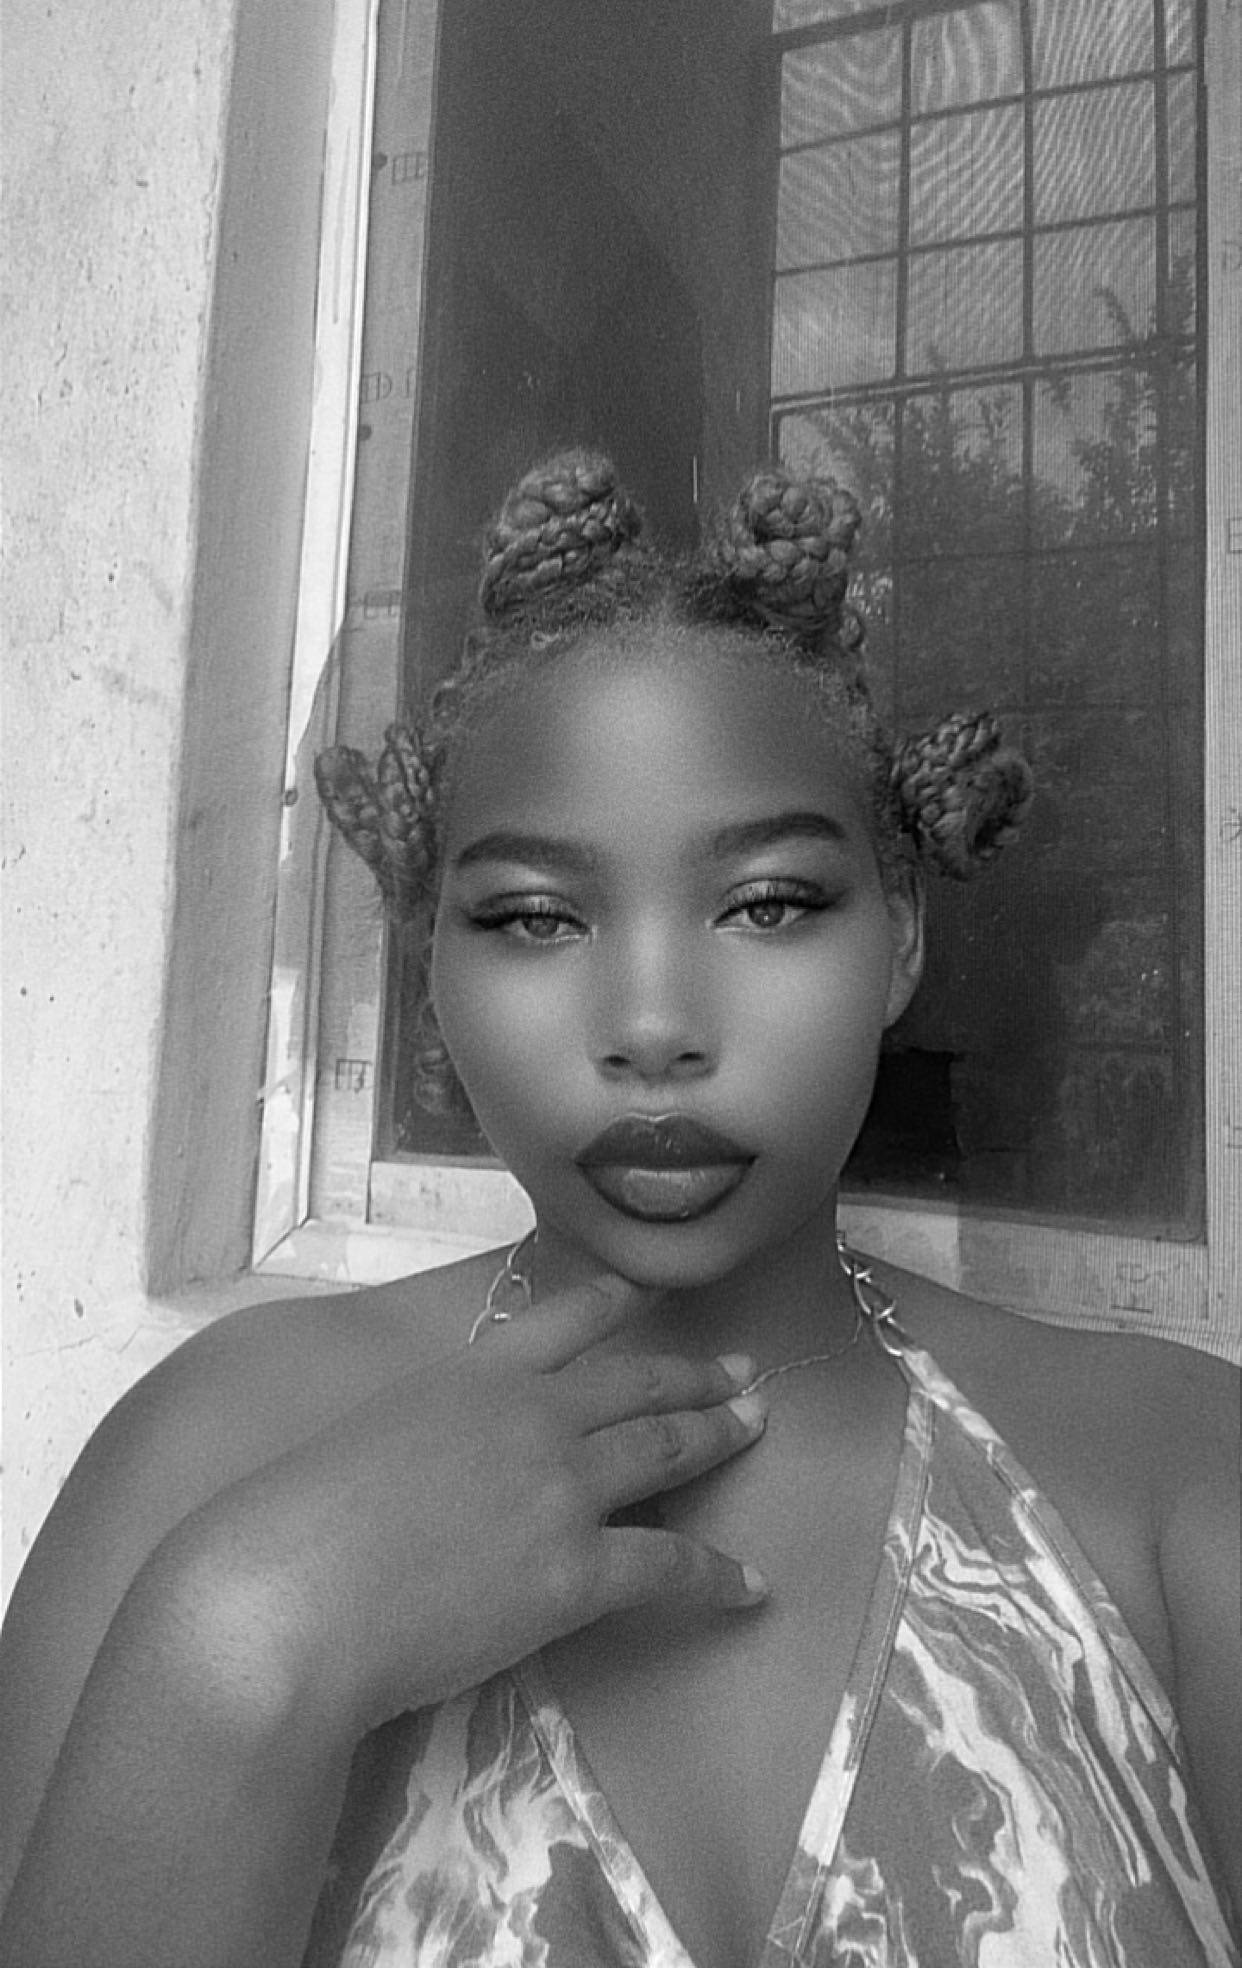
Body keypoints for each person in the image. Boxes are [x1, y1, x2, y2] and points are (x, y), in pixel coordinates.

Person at [1, 450, 1237, 1968]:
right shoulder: (204, 1463)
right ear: (429, 959)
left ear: (901, 936)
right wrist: (247, 1640)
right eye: (534, 917)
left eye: (767, 904)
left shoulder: (1180, 1485)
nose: (652, 1025)